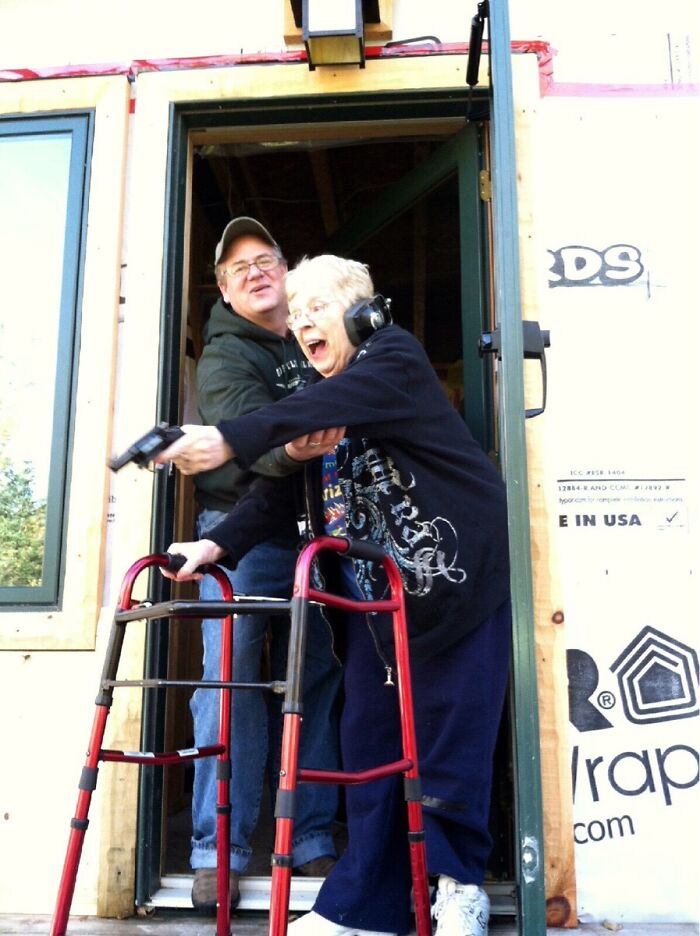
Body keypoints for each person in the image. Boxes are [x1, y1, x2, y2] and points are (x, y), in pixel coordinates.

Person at [157, 254, 512, 936]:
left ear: (360, 313)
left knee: (451, 742)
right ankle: (367, 905)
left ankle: (458, 885)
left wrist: (229, 436)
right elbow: (280, 494)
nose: (300, 323)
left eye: (315, 307)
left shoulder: (393, 360)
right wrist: (213, 546)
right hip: (374, 614)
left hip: (456, 591)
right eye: (294, 315)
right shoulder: (326, 405)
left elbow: (310, 409)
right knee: (368, 743)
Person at [185, 221, 343, 913]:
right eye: (238, 267)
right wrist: (306, 442)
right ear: (223, 288)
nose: (255, 272)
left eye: (266, 259)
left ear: (288, 268)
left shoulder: (320, 336)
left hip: (321, 533)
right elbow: (253, 448)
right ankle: (214, 851)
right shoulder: (224, 357)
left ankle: (310, 839)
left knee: (317, 680)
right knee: (229, 684)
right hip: (239, 536)